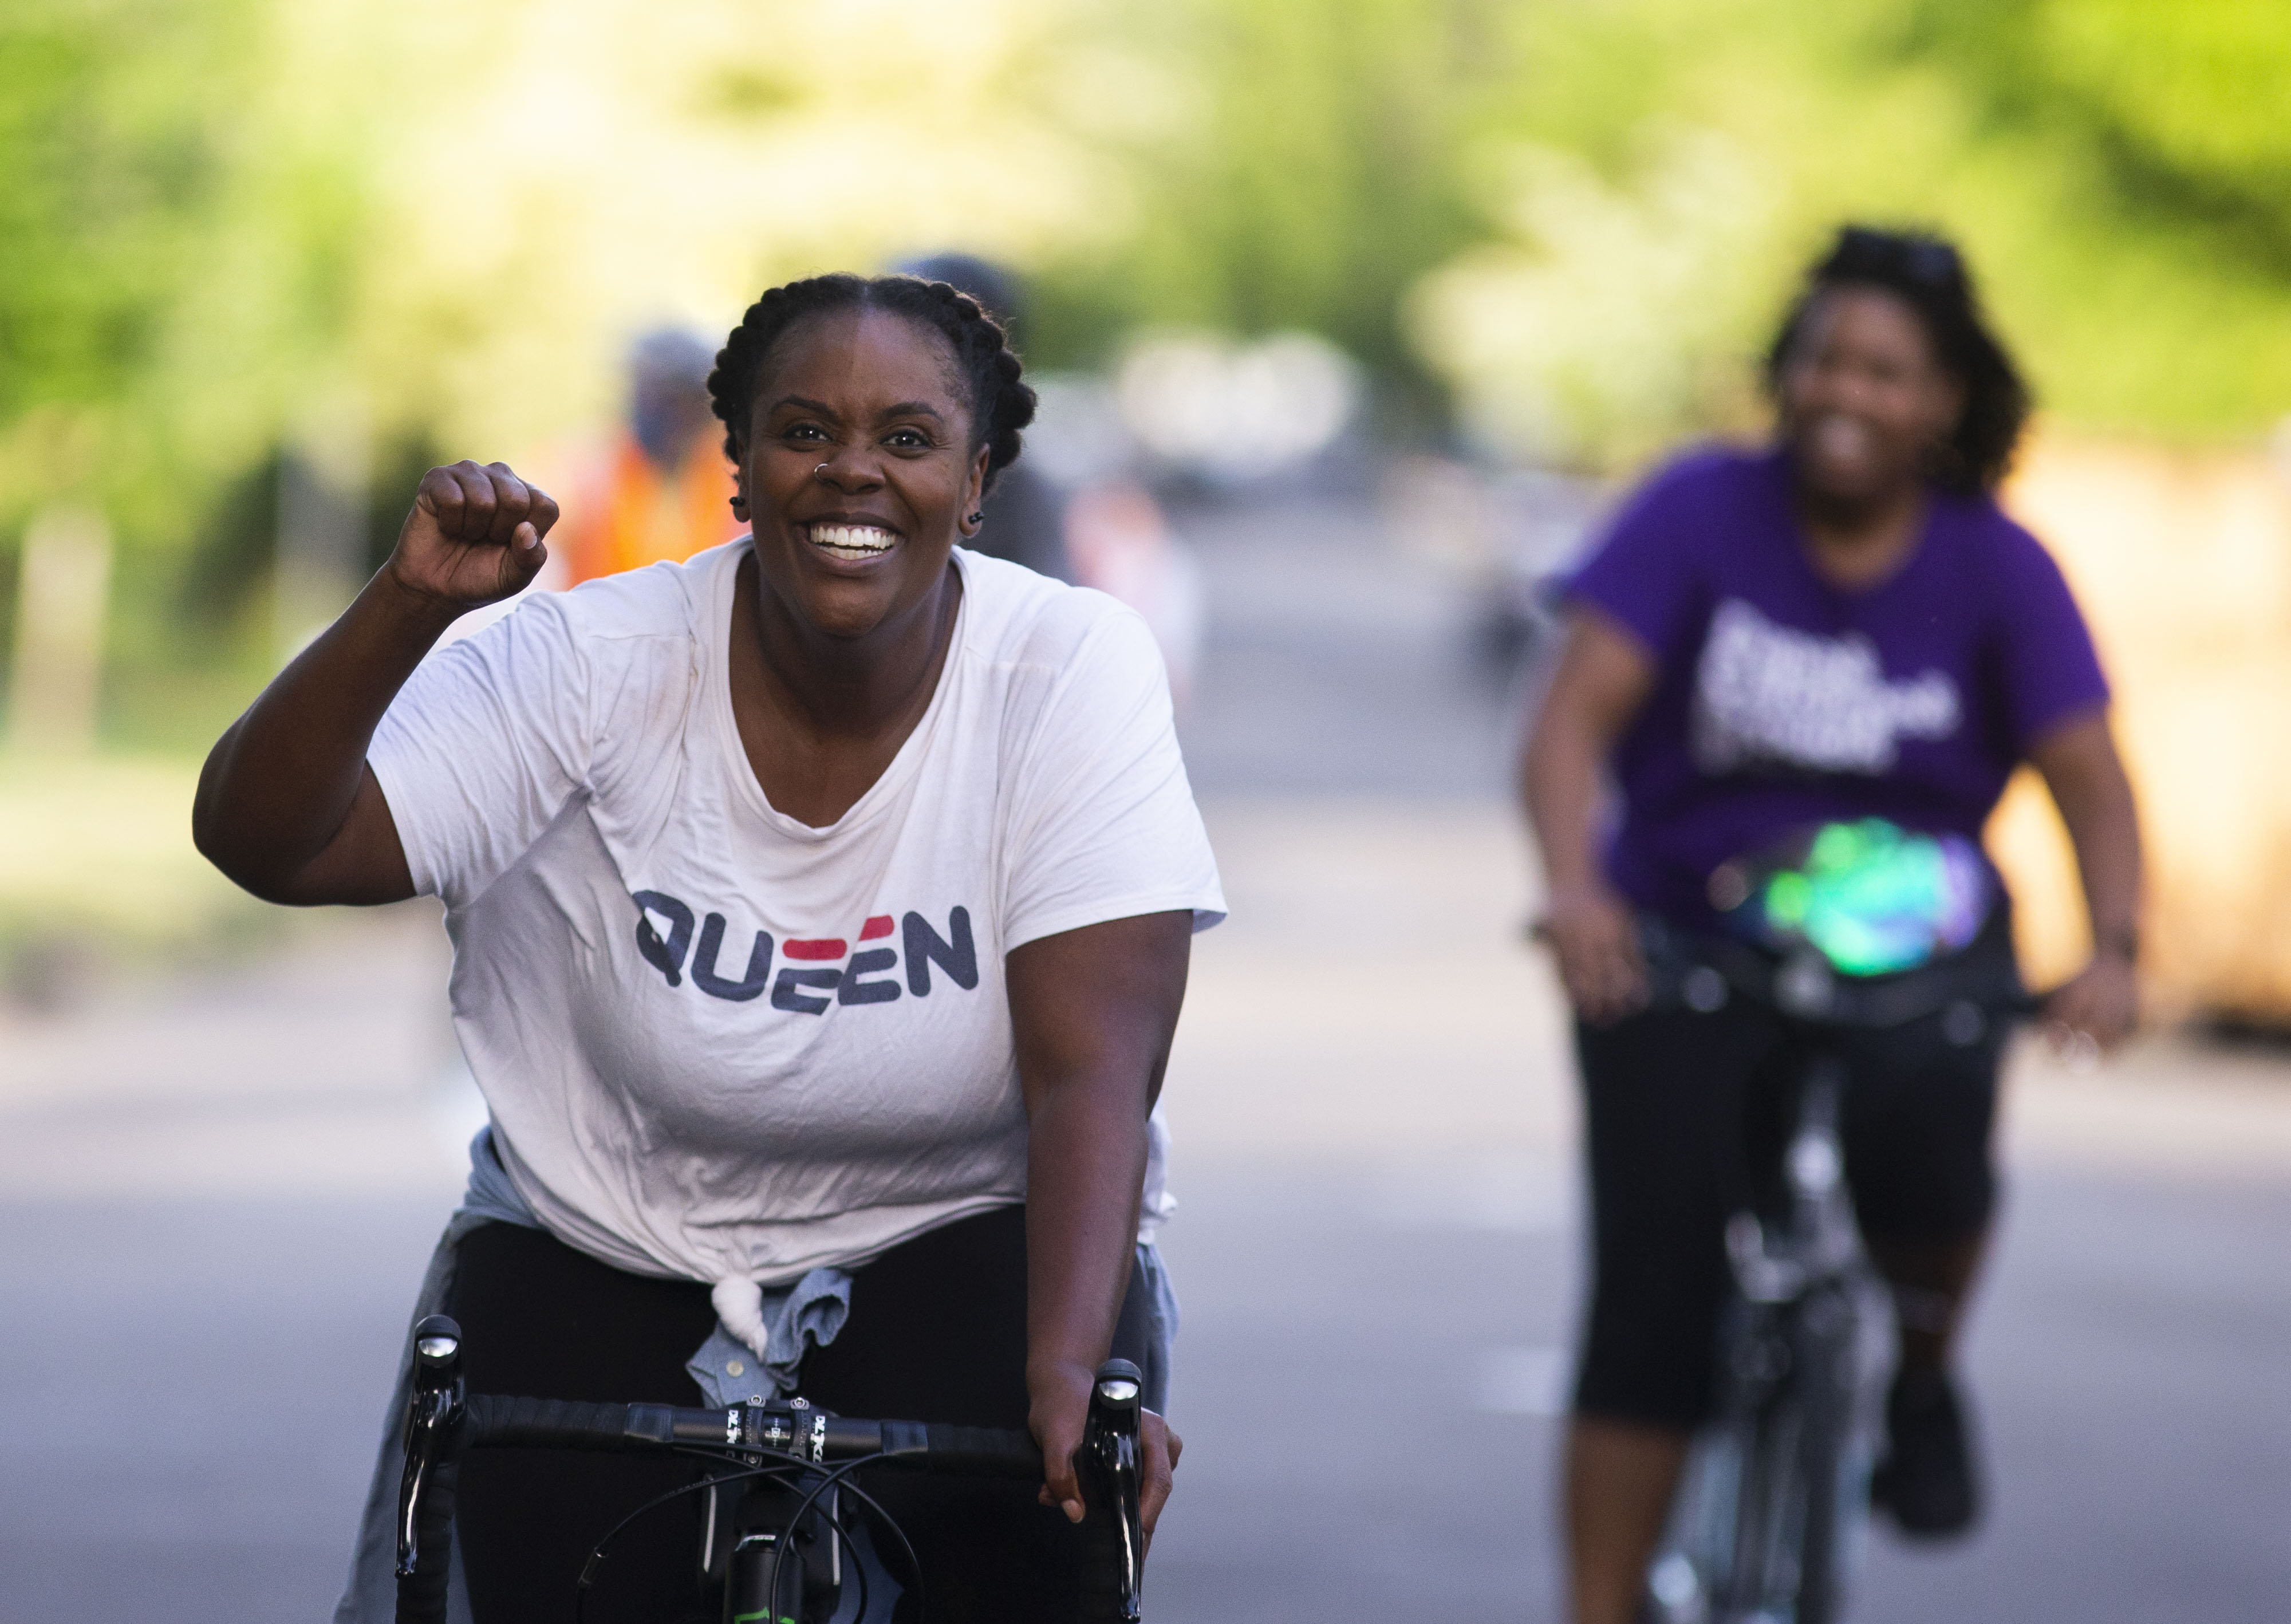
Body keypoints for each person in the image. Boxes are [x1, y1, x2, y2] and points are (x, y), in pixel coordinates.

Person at [192, 273, 1224, 1623]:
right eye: (804, 431)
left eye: (907, 440)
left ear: (976, 486)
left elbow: (1093, 1071)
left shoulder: (1069, 668)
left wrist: (1070, 1378)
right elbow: (270, 844)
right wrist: (407, 607)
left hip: (957, 1234)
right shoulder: (586, 658)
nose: (852, 469)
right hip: (602, 1232)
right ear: (738, 469)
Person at [1520, 226, 2143, 1624]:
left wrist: (2113, 947)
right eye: (1819, 361)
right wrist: (1576, 888)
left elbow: (2088, 777)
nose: (1843, 392)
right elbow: (1567, 725)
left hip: (1918, 943)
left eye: (1883, 370)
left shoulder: (1996, 564)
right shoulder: (1694, 511)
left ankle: (1919, 1372)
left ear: (1942, 402)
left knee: (1932, 1146)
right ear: (1783, 378)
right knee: (1652, 1303)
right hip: (1687, 932)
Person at [555, 326, 747, 584]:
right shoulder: (584, 473)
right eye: (660, 397)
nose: (674, 417)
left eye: (685, 401)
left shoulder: (735, 476)